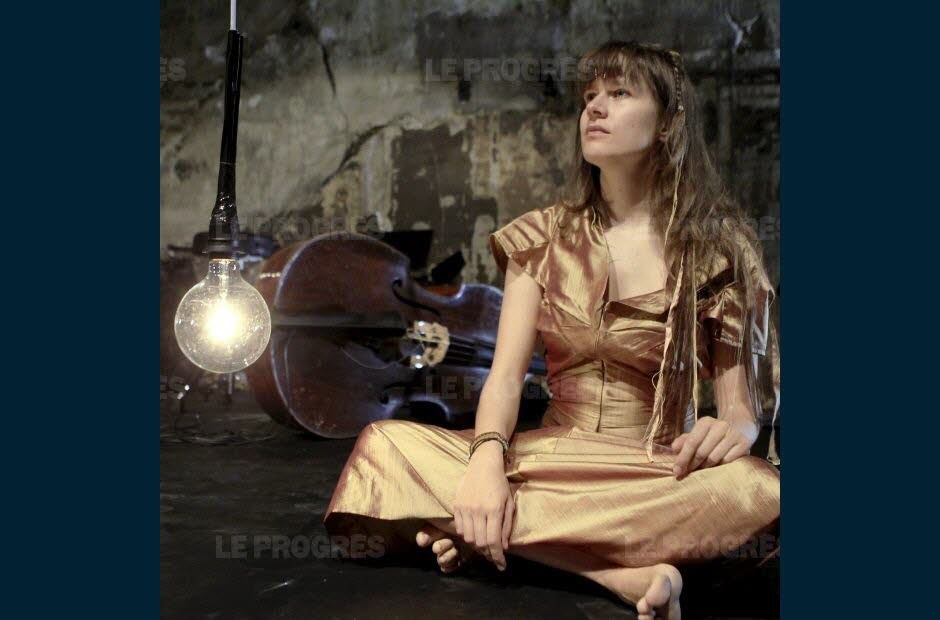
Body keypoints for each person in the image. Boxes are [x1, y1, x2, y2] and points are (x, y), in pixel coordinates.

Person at [323, 40, 781, 620]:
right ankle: (615, 572)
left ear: (668, 122)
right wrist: (485, 467)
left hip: (655, 471)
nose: (595, 109)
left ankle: (480, 533)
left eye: (619, 94)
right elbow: (505, 381)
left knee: (762, 492)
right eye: (589, 97)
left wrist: (731, 431)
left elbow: (742, 413)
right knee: (383, 446)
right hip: (549, 459)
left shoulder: (719, 249)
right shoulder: (541, 238)